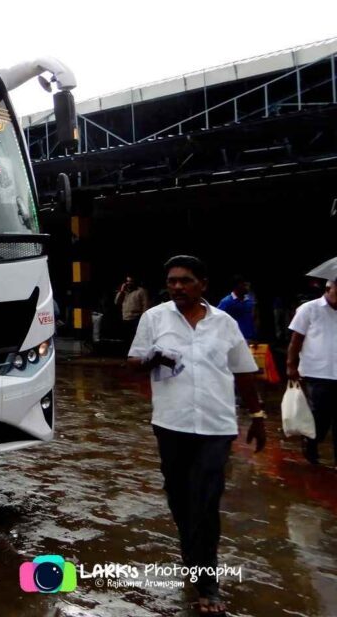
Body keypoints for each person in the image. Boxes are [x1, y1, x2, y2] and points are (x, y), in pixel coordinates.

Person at [128, 255, 265, 616]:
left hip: (216, 427)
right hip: (170, 423)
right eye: (172, 281)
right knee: (179, 498)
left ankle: (207, 582)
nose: (177, 287)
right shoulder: (154, 318)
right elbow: (132, 364)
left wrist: (258, 414)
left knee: (205, 500)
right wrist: (152, 359)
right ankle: (192, 551)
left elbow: (244, 372)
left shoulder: (225, 323)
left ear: (202, 284)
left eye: (185, 280)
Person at [286, 280, 337, 465]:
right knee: (321, 415)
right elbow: (296, 340)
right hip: (318, 372)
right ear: (328, 289)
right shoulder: (309, 309)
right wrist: (291, 365)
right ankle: (311, 443)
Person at [217, 275, 257, 341]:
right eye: (244, 285)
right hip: (234, 340)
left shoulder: (249, 301)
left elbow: (253, 320)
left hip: (250, 339)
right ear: (237, 286)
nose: (247, 287)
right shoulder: (226, 302)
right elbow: (217, 319)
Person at [114, 275, 150, 348]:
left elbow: (145, 305)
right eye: (127, 281)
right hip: (125, 317)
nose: (129, 283)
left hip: (136, 318)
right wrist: (121, 291)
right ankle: (128, 355)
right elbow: (117, 302)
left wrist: (144, 319)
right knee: (126, 339)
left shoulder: (141, 291)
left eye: (131, 281)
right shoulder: (123, 292)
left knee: (135, 339)